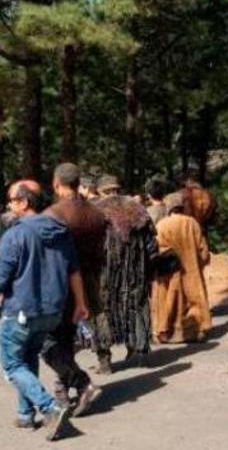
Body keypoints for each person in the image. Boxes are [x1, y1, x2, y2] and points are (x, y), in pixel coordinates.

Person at [0, 180, 88, 441]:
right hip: (52, 311)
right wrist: (81, 303)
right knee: (28, 357)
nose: (9, 204)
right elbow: (74, 271)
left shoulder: (15, 235)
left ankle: (50, 409)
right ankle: (25, 414)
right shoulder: (61, 231)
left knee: (13, 365)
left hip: (21, 311)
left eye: (12, 200)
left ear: (25, 202)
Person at [42, 163, 107, 416]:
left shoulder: (53, 214)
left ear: (57, 184)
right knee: (66, 336)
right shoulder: (96, 213)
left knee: (48, 341)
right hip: (88, 280)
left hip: (60, 284)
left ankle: (78, 383)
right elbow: (100, 251)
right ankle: (67, 387)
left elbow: (47, 257)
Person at [94, 175, 158, 371]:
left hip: (104, 272)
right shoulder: (137, 208)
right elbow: (152, 245)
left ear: (99, 191)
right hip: (135, 271)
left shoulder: (95, 210)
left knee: (102, 312)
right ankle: (139, 351)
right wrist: (149, 268)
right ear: (118, 188)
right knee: (136, 306)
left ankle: (105, 359)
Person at [153, 193, 212, 343]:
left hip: (171, 273)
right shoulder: (192, 223)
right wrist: (199, 264)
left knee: (170, 302)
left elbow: (157, 250)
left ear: (168, 207)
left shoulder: (161, 225)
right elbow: (203, 249)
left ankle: (169, 333)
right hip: (192, 271)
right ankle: (198, 330)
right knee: (194, 300)